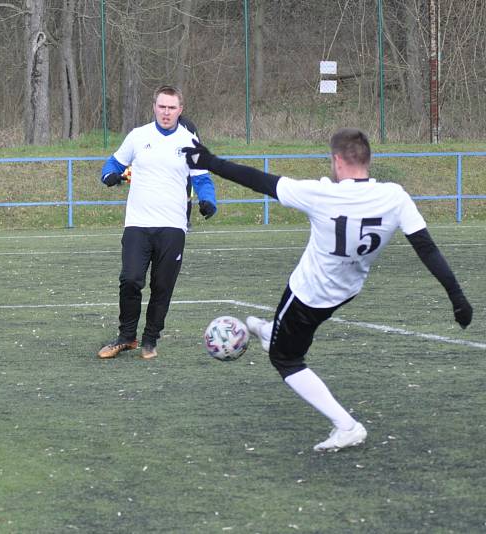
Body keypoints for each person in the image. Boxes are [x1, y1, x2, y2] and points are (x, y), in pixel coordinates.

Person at [183, 128, 472, 451]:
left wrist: (210, 161)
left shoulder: (321, 194)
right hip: (347, 289)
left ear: (337, 160)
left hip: (310, 292)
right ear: (367, 159)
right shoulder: (395, 196)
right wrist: (457, 297)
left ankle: (346, 425)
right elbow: (426, 248)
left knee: (286, 360)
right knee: (287, 327)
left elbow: (259, 181)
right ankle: (270, 331)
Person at [97, 85, 217, 360]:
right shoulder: (138, 136)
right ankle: (126, 337)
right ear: (154, 107)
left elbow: (202, 178)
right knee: (130, 279)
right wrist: (109, 176)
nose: (166, 112)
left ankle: (150, 340)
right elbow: (113, 164)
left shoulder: (191, 143)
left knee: (162, 286)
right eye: (162, 106)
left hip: (173, 226)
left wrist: (208, 200)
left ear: (180, 110)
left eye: (171, 107)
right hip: (138, 224)